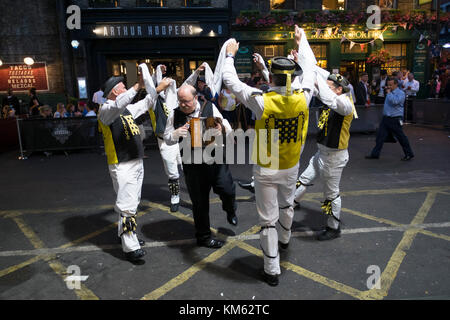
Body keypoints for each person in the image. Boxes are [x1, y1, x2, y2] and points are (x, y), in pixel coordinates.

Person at [222, 25, 315, 287]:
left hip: (266, 166)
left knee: (267, 219)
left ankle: (271, 268)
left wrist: (229, 55)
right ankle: (285, 240)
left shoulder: (262, 101)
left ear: (271, 79)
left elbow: (231, 82)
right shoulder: (303, 97)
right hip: (291, 164)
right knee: (287, 205)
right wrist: (302, 40)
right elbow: (308, 70)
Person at [98, 70, 172, 262]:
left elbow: (147, 102)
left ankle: (129, 237)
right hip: (122, 164)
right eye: (122, 87)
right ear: (114, 92)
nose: (125, 89)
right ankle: (130, 247)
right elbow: (120, 103)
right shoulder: (106, 110)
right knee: (128, 206)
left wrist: (157, 88)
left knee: (132, 203)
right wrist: (138, 85)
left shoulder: (126, 109)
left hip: (135, 161)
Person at [163, 84, 238, 249]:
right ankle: (203, 237)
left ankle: (230, 209)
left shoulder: (209, 107)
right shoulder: (175, 115)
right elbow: (167, 137)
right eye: (180, 101)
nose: (183, 104)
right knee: (199, 203)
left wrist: (221, 129)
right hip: (192, 165)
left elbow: (224, 124)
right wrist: (174, 135)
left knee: (227, 189)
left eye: (186, 101)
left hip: (215, 159)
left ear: (195, 98)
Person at [294, 73, 355, 241]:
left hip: (333, 157)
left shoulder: (345, 104)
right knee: (304, 179)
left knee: (331, 194)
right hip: (321, 152)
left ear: (339, 89)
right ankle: (290, 206)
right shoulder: (332, 99)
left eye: (329, 88)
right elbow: (318, 90)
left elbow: (331, 98)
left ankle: (333, 227)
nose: (325, 91)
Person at [365, 78, 414, 161]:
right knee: (380, 137)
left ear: (396, 84)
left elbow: (395, 102)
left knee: (401, 137)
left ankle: (409, 153)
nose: (389, 86)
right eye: (388, 85)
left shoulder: (400, 93)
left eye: (391, 85)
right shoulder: (390, 93)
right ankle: (375, 154)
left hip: (395, 118)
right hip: (386, 118)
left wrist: (389, 93)